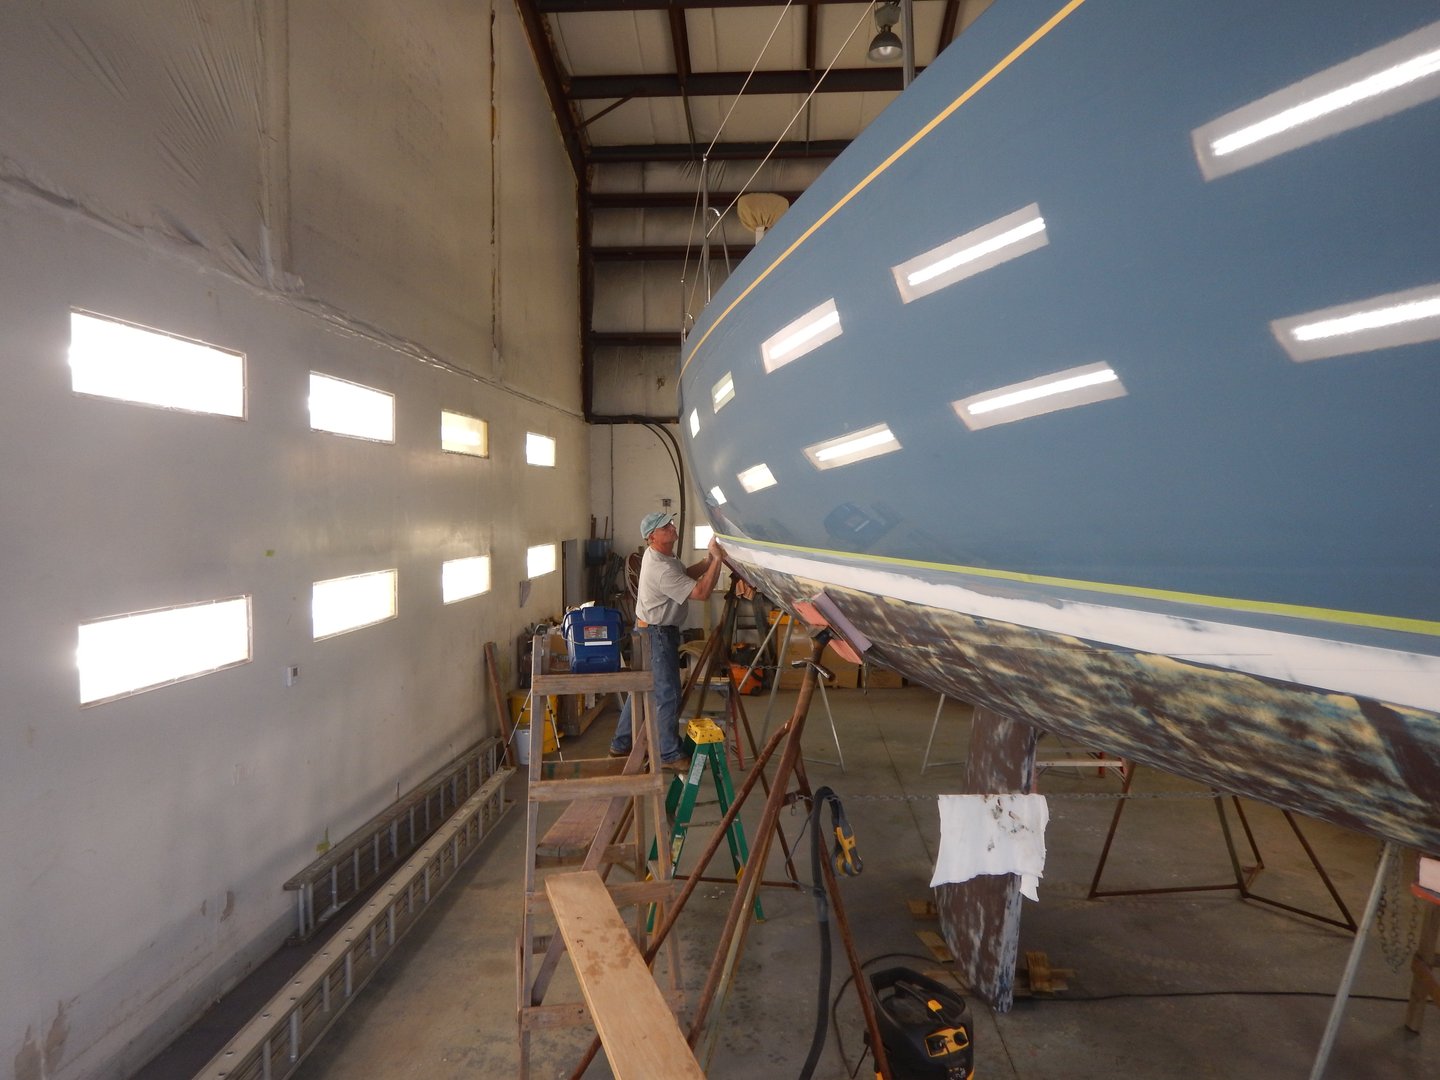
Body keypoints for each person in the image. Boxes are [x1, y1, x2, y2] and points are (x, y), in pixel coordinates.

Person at [609, 510, 725, 770]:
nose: (673, 527)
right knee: (667, 694)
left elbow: (685, 573)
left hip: (649, 630)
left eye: (671, 523)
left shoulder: (663, 556)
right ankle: (668, 754)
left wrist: (708, 560)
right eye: (666, 527)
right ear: (652, 537)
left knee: (640, 689)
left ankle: (621, 744)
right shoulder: (660, 568)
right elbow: (702, 592)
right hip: (657, 634)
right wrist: (718, 561)